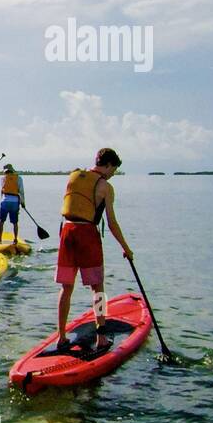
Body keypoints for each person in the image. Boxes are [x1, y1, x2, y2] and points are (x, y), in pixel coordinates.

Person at [57, 148, 133, 352]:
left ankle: (62, 336)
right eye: (114, 170)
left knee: (66, 288)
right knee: (97, 289)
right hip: (87, 235)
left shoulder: (74, 175)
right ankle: (101, 338)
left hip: (66, 232)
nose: (113, 174)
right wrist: (126, 248)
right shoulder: (105, 187)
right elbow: (112, 223)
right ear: (108, 165)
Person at [0, 163, 26, 244]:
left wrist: (1, 200)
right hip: (14, 201)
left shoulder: (3, 178)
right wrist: (23, 203)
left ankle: (0, 240)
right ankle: (15, 239)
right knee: (15, 222)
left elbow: (2, 191)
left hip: (4, 201)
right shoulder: (19, 178)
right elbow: (21, 192)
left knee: (1, 221)